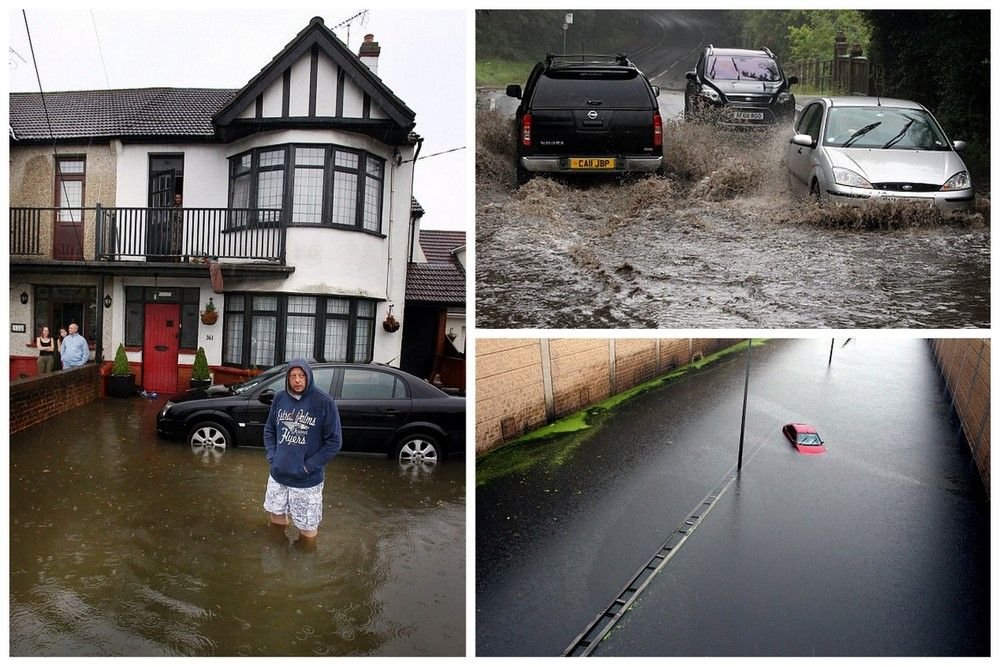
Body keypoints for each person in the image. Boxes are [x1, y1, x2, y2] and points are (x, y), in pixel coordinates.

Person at [263, 358, 342, 544]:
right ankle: (278, 553)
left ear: (308, 377)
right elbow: (269, 430)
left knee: (307, 528)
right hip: (278, 474)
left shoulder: (324, 402)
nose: (297, 380)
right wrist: (272, 456)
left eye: (301, 376)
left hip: (307, 480)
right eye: (293, 376)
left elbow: (334, 442)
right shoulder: (280, 398)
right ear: (288, 379)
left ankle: (303, 563)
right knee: (276, 516)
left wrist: (308, 467)